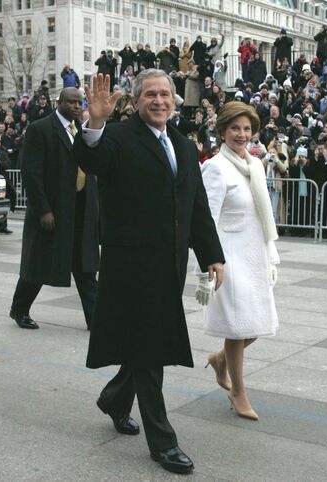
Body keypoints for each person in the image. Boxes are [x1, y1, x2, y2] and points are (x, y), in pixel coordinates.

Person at [74, 71, 225, 475]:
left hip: (170, 265)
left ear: (175, 100)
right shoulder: (119, 136)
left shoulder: (181, 143)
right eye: (151, 95)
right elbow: (91, 161)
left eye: (165, 94)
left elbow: (195, 207)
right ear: (137, 101)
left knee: (147, 342)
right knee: (149, 347)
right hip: (132, 266)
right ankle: (163, 440)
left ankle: (114, 398)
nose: (159, 101)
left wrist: (212, 255)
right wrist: (95, 124)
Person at [197, 102, 279, 422]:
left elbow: (263, 214)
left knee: (257, 325)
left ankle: (221, 360)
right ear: (222, 131)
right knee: (238, 327)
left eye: (247, 129)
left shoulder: (255, 165)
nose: (242, 135)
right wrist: (207, 263)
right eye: (235, 128)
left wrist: (271, 254)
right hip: (228, 257)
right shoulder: (215, 167)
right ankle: (238, 391)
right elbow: (206, 218)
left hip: (255, 253)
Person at [9, 88, 100, 330]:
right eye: (70, 102)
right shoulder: (40, 129)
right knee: (38, 264)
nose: (75, 106)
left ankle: (96, 318)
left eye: (79, 102)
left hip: (80, 209)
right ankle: (19, 309)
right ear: (57, 102)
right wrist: (43, 210)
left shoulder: (81, 130)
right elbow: (31, 173)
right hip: (53, 210)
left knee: (85, 267)